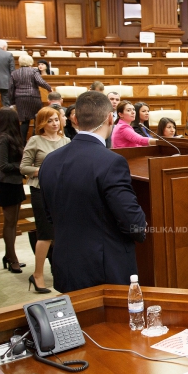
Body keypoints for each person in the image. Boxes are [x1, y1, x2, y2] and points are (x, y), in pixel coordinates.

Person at [39, 91, 146, 293]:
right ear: (110, 118)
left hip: (65, 263)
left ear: (76, 120)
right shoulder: (111, 162)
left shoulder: (50, 160)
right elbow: (133, 222)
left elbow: (49, 215)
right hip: (104, 270)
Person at [20, 107, 71, 294]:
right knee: (46, 234)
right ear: (42, 123)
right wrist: (43, 170)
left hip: (62, 191)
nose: (55, 123)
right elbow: (23, 167)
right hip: (41, 190)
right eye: (50, 120)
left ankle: (61, 271)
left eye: (56, 119)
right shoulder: (35, 141)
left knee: (62, 234)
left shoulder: (67, 141)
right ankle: (37, 274)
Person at [0, 107, 27, 274]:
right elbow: (3, 166)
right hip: (6, 183)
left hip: (14, 182)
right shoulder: (2, 139)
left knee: (13, 222)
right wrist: (23, 168)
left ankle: (9, 254)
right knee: (9, 223)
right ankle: (12, 259)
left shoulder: (11, 137)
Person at [9, 55, 52, 142]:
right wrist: (49, 88)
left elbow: (10, 88)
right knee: (37, 119)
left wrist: (12, 101)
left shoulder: (14, 73)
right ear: (30, 62)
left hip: (20, 98)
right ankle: (35, 140)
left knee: (24, 121)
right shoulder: (34, 71)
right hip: (33, 97)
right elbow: (40, 81)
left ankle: (22, 143)